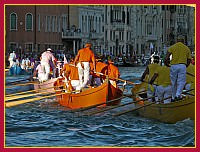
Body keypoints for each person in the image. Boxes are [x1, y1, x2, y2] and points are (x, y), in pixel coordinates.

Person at [164, 35, 192, 101]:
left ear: (177, 40)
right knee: (181, 81)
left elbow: (166, 58)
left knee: (173, 82)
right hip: (182, 65)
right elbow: (189, 60)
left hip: (173, 66)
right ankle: (178, 94)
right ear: (183, 41)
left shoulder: (172, 47)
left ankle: (173, 97)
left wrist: (167, 65)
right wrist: (186, 66)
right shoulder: (186, 48)